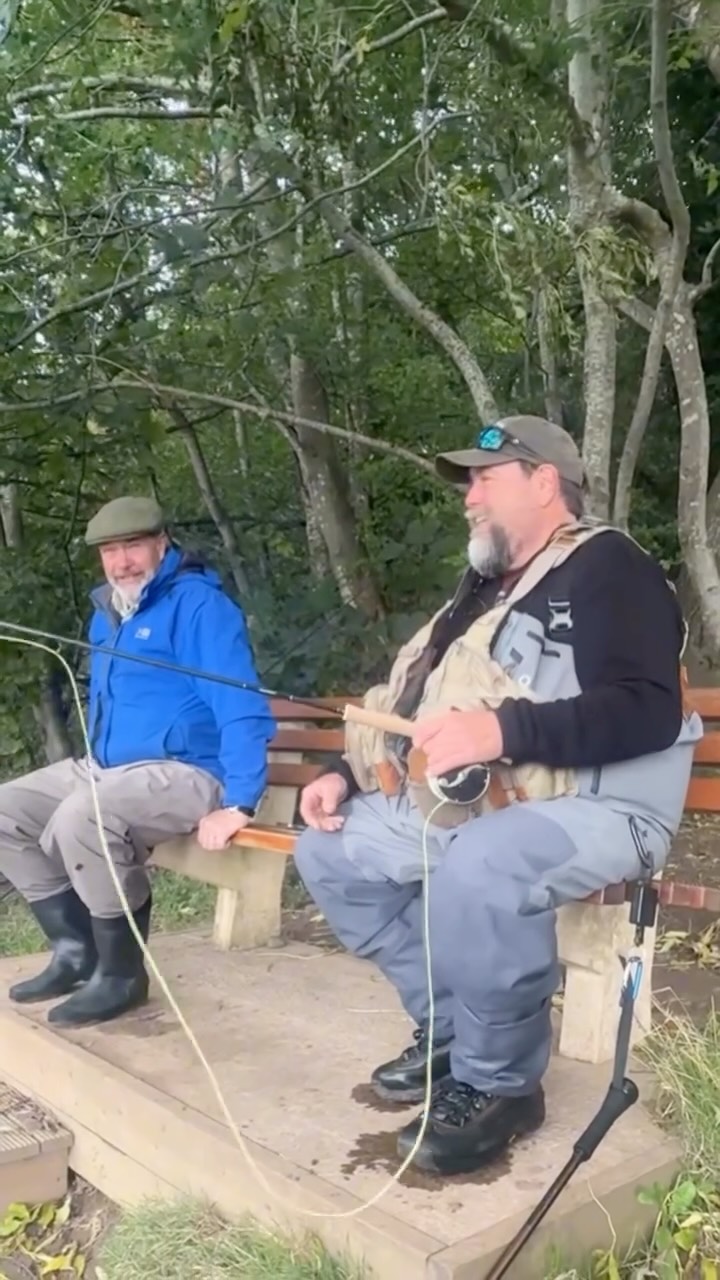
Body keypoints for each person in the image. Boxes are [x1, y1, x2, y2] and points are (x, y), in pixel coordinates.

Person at [294, 415, 702, 1178]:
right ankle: (449, 1027)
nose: (468, 497)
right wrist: (342, 774)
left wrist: (501, 730)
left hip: (607, 807)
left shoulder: (609, 567)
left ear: (544, 483)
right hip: (492, 804)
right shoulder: (483, 591)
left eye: (484, 479)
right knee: (329, 850)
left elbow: (648, 709)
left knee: (481, 864)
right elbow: (411, 704)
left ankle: (500, 1085)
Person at [0, 496, 275, 1027]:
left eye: (133, 546)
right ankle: (75, 950)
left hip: (188, 771)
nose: (122, 562)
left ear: (161, 544)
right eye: (110, 550)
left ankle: (122, 975)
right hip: (106, 768)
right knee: (5, 810)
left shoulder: (199, 606)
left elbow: (240, 703)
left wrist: (240, 801)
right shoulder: (107, 613)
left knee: (85, 813)